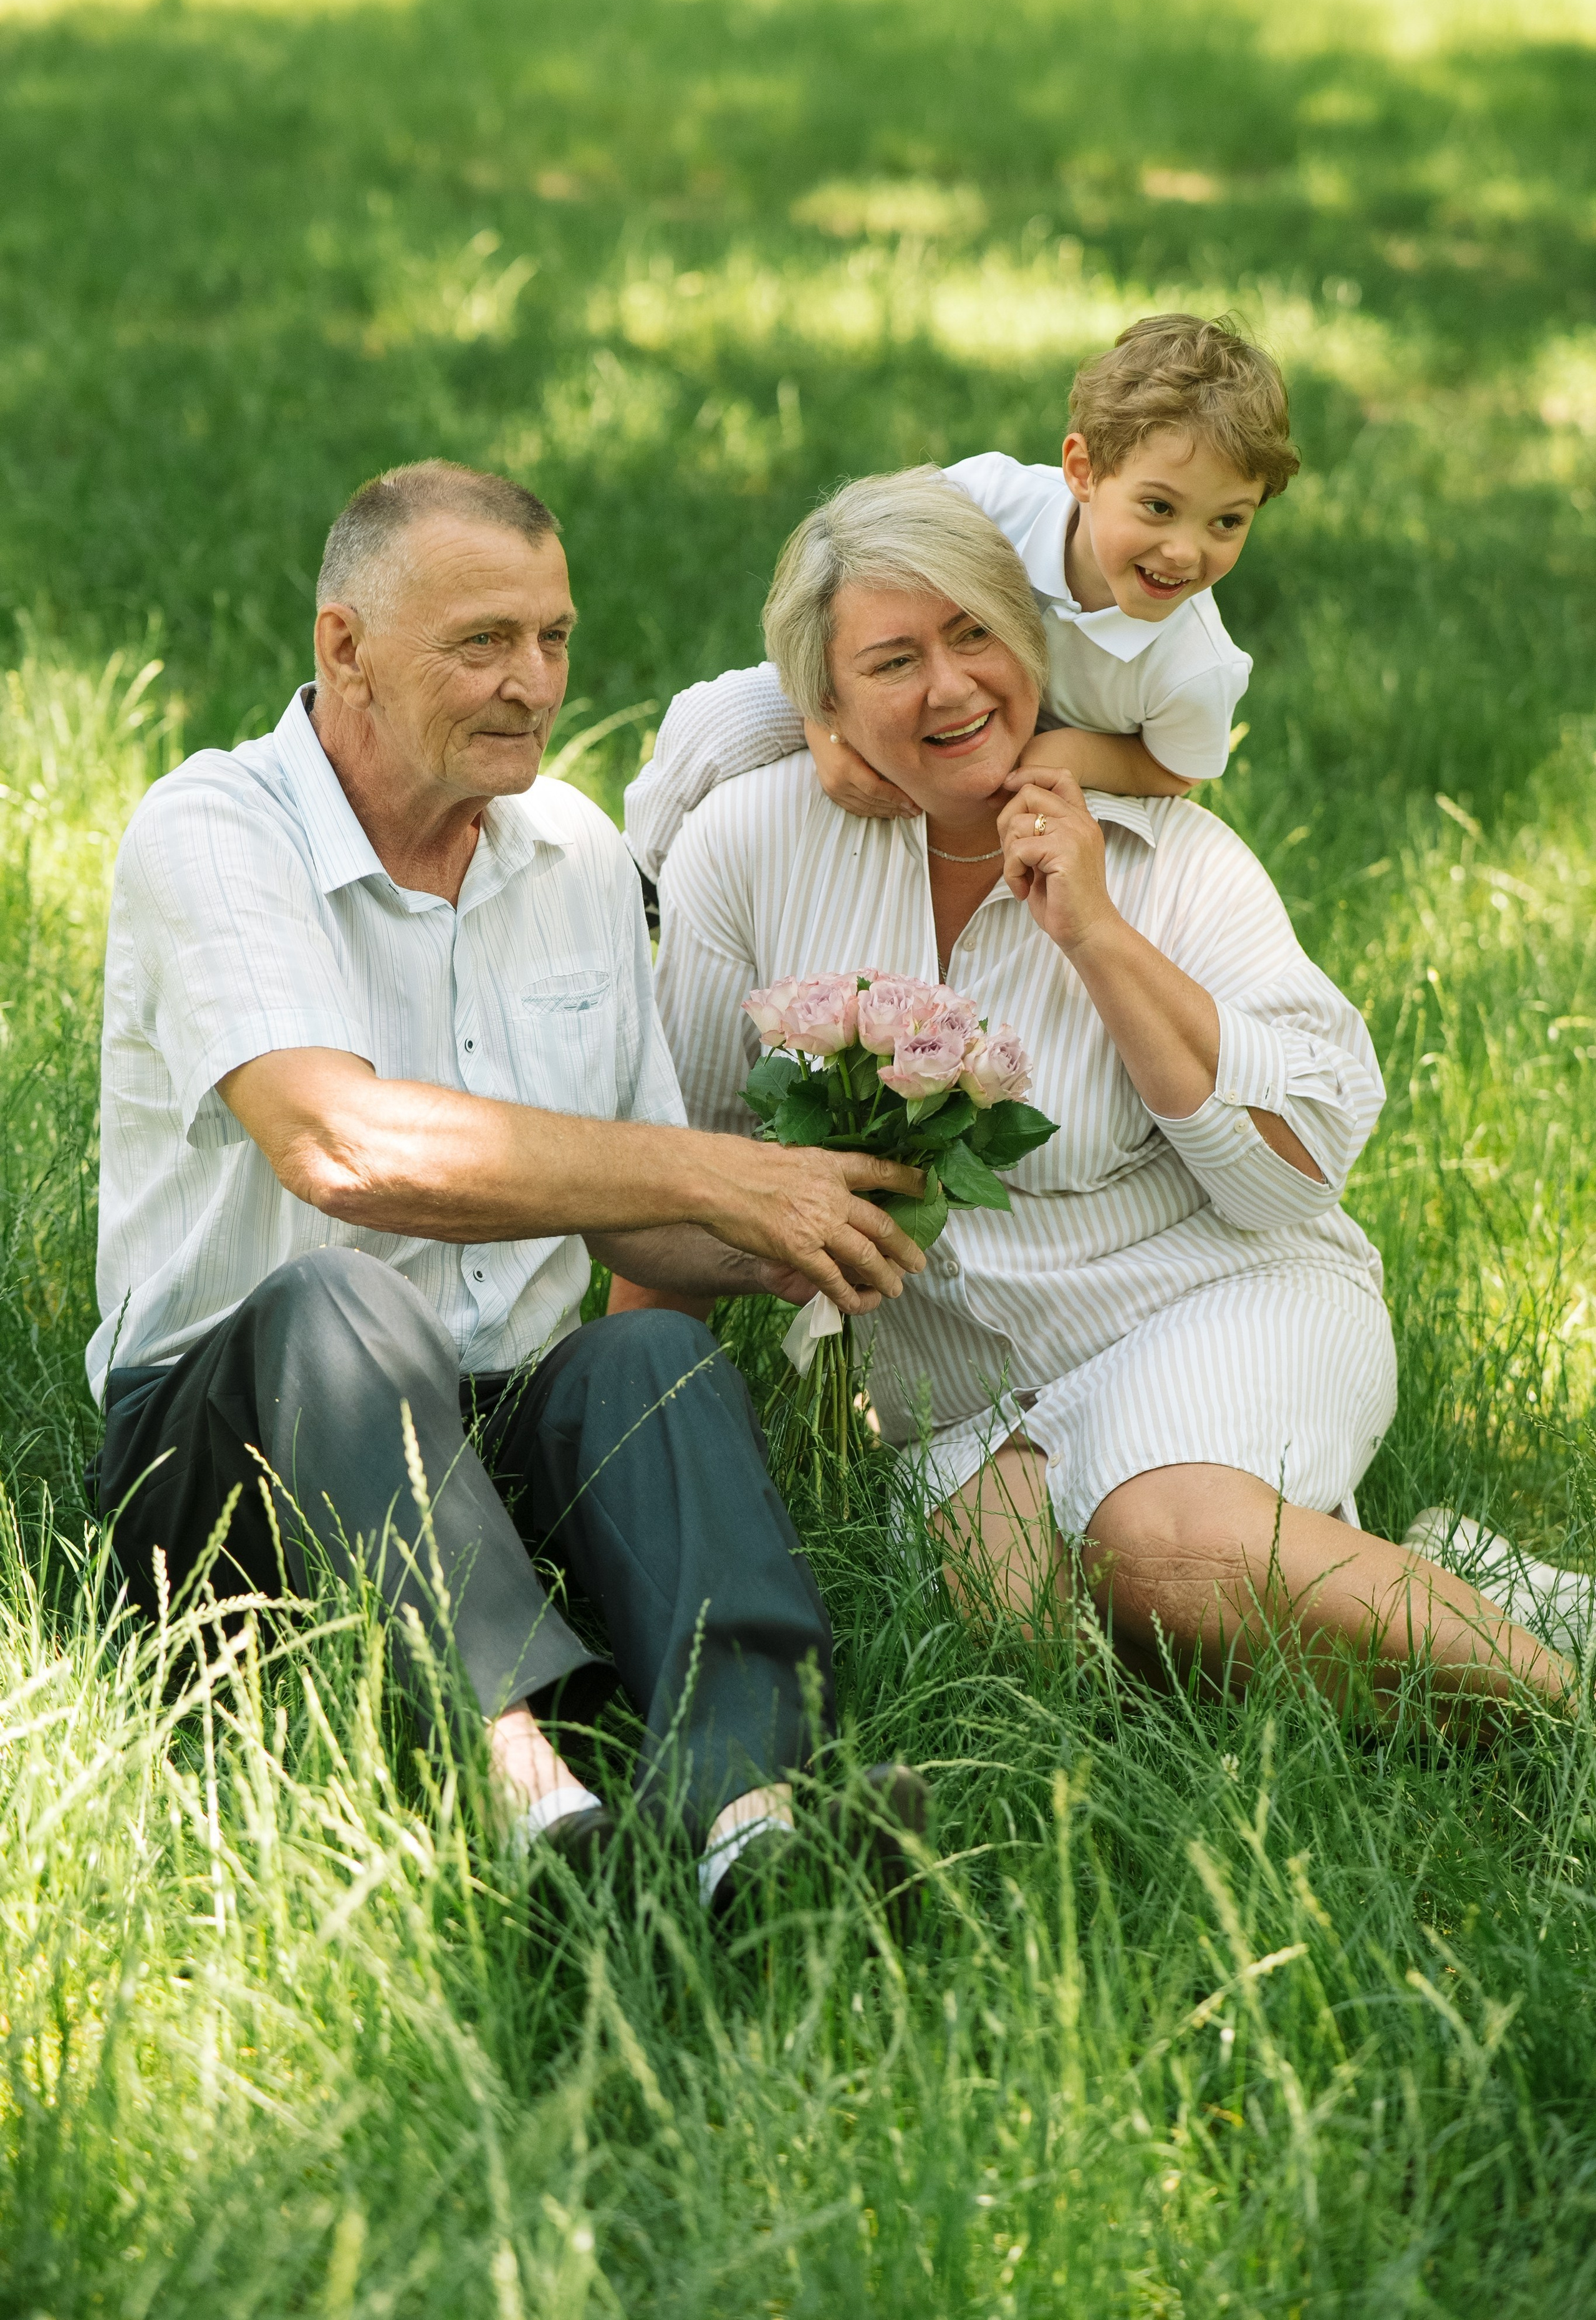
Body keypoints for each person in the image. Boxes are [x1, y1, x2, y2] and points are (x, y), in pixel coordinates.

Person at [90, 458, 930, 1910]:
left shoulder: (579, 856)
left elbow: (639, 1212)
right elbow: (336, 1145)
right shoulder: (214, 833)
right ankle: (524, 1803)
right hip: (234, 1460)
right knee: (341, 1300)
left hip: (485, 1448)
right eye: (481, 641)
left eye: (553, 637)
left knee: (651, 1353)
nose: (531, 681)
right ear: (342, 646)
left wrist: (824, 1204)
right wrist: (713, 1171)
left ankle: (753, 1814)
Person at [640, 464, 1588, 1717]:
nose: (949, 685)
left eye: (976, 633)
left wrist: (1092, 932)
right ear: (822, 700)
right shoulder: (746, 850)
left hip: (1215, 1296)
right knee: (1030, 1658)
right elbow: (673, 1172)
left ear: (1029, 636)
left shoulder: (1168, 855)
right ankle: (1440, 1578)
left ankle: (1559, 1711)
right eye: (891, 661)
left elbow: (1285, 1174)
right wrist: (628, 1457)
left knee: (1167, 1552)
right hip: (961, 1406)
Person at [624, 312, 1291, 892]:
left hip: (1025, 741)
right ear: (1082, 472)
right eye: (1157, 507)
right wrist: (824, 727)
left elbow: (1174, 768)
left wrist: (1068, 755)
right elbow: (858, 563)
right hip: (898, 679)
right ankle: (644, 879)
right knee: (718, 715)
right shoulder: (991, 497)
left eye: (1226, 522)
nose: (1183, 551)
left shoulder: (1195, 666)